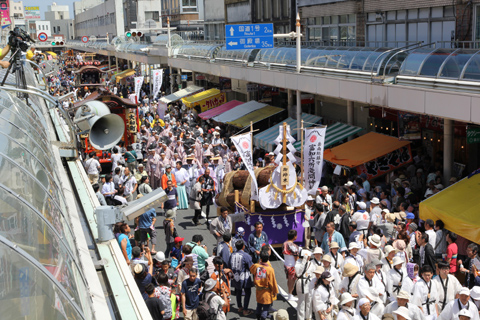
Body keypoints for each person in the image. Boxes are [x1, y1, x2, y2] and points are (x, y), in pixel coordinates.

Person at [250, 251, 279, 320]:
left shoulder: (256, 266)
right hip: (266, 290)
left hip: (258, 290)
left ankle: (258, 316)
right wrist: (275, 291)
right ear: (268, 258)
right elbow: (272, 282)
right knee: (265, 307)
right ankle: (263, 317)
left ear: (260, 258)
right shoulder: (270, 269)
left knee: (259, 305)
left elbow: (251, 269)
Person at [230, 240, 254, 316]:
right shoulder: (246, 255)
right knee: (248, 292)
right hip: (244, 276)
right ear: (243, 246)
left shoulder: (232, 255)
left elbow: (229, 264)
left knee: (238, 291)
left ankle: (240, 307)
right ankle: (245, 309)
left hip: (235, 276)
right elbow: (251, 267)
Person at [295, 249, 316, 320]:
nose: (310, 257)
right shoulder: (298, 263)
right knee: (301, 302)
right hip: (301, 283)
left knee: (309, 301)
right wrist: (304, 261)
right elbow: (298, 273)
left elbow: (313, 274)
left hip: (309, 283)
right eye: (308, 256)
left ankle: (308, 317)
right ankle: (300, 318)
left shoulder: (311, 263)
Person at [283, 229, 300, 301]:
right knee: (292, 280)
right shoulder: (294, 246)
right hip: (292, 265)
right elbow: (296, 256)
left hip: (286, 264)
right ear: (294, 237)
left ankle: (290, 293)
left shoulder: (284, 243)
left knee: (289, 280)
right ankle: (290, 294)